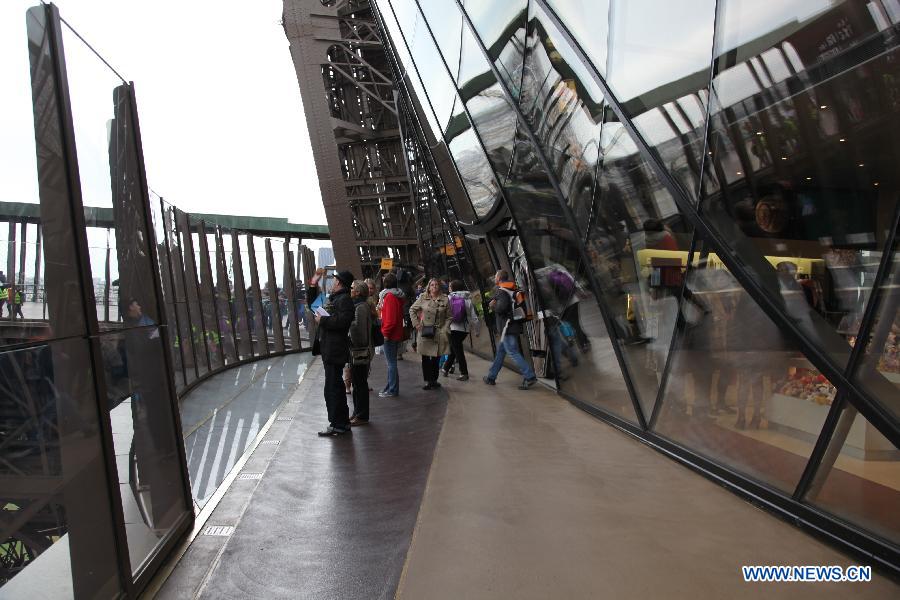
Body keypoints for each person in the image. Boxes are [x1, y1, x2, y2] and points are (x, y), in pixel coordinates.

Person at [314, 270, 356, 436]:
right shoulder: (337, 298)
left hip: (334, 349)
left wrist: (322, 319)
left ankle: (338, 424)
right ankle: (341, 423)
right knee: (334, 386)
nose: (332, 283)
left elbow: (343, 321)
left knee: (333, 388)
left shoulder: (344, 299)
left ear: (339, 282)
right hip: (331, 349)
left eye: (334, 280)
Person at [483, 270, 537, 389]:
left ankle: (530, 376)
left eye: (495, 276)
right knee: (501, 352)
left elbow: (502, 308)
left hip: (507, 326)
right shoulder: (511, 288)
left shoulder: (502, 291)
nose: (495, 278)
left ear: (499, 278)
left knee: (512, 351)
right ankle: (491, 377)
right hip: (511, 325)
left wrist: (493, 306)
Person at [409, 278, 450, 390]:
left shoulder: (445, 299)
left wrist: (445, 329)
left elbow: (449, 317)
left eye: (436, 284)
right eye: (432, 285)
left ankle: (434, 380)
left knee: (436, 357)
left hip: (439, 332)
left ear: (439, 287)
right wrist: (416, 324)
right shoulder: (423, 297)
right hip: (425, 331)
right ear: (429, 287)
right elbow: (412, 309)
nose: (434, 286)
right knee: (426, 357)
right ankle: (427, 381)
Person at [442, 280, 480, 381]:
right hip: (464, 329)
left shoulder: (449, 298)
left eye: (450, 286)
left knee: (457, 350)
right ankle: (445, 369)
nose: (449, 288)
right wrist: (477, 331)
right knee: (455, 348)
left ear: (453, 288)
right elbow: (474, 318)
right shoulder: (468, 299)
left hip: (452, 328)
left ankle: (464, 373)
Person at [348, 280, 373, 425]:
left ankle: (362, 416)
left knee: (360, 384)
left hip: (360, 352)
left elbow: (360, 333)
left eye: (352, 288)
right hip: (357, 352)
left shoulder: (360, 308)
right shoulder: (359, 306)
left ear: (357, 292)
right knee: (357, 384)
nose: (350, 290)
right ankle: (357, 412)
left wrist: (348, 324)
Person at [378, 273, 405, 397]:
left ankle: (392, 389)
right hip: (396, 333)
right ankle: (390, 386)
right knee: (391, 363)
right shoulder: (396, 295)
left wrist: (385, 333)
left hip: (390, 334)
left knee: (391, 363)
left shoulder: (389, 297)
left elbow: (390, 320)